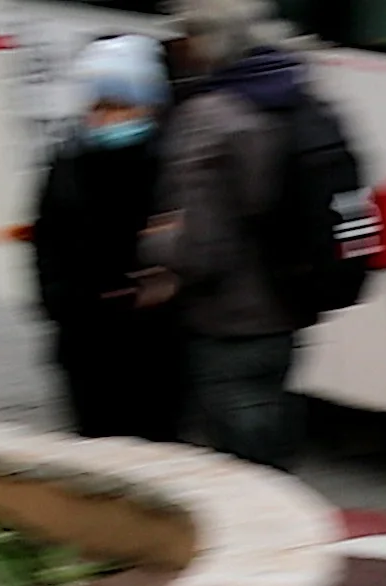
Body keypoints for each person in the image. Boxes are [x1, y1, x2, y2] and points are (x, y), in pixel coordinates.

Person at [137, 0, 314, 468]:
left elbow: (202, 249)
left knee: (242, 468)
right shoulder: (293, 95)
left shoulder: (208, 120)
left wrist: (156, 242)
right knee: (275, 443)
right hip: (285, 312)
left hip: (229, 323)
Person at [28, 35, 186, 441]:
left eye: (118, 105)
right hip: (87, 343)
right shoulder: (69, 163)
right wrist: (63, 305)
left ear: (148, 104)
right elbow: (47, 246)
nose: (105, 118)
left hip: (155, 346)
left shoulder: (170, 163)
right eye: (99, 106)